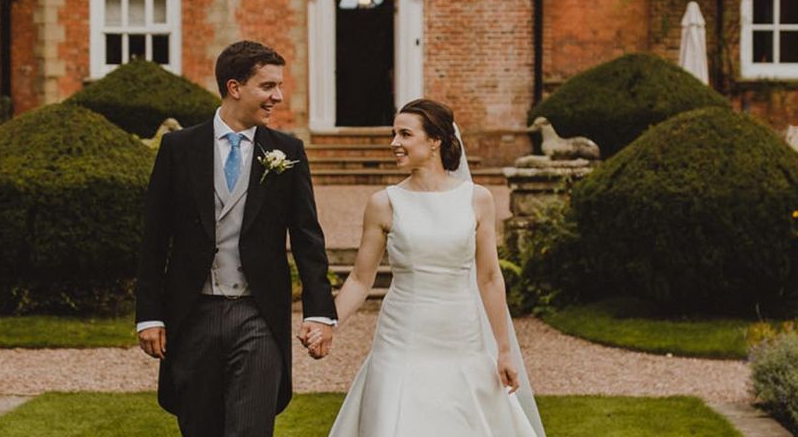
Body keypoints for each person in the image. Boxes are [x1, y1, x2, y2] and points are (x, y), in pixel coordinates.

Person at [135, 40, 337, 437]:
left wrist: (319, 312)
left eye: (278, 86)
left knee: (250, 429)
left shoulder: (287, 151)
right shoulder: (179, 148)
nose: (277, 96)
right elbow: (154, 238)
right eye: (267, 86)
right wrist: (150, 314)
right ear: (234, 87)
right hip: (194, 314)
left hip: (258, 315)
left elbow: (308, 239)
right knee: (199, 427)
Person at [317, 98, 544, 437]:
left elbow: (490, 278)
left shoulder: (477, 199)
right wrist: (328, 323)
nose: (395, 143)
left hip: (461, 337)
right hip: (401, 337)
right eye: (394, 135)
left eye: (405, 134)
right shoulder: (383, 204)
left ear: (435, 140)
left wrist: (505, 350)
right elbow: (360, 280)